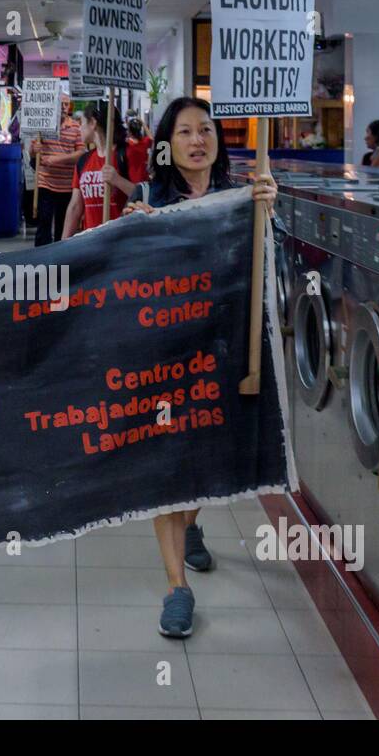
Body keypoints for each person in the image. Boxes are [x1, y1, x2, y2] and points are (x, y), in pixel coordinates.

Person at [122, 96, 277, 639]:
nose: (197, 139)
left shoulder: (241, 199)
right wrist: (133, 232)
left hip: (220, 353)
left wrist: (267, 210)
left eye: (205, 130)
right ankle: (176, 590)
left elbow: (263, 268)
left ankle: (191, 526)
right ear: (167, 144)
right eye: (184, 131)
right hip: (163, 358)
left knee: (206, 463)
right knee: (167, 467)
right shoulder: (147, 199)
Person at [62, 101, 141, 238]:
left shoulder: (128, 154)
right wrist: (63, 244)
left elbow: (145, 196)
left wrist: (118, 180)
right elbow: (75, 207)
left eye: (82, 122)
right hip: (92, 242)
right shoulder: (83, 161)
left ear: (92, 123)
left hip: (123, 241)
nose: (79, 128)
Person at [30, 98, 85, 246]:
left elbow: (81, 153)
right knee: (44, 221)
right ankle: (41, 258)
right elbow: (33, 152)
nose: (63, 107)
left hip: (66, 184)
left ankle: (59, 258)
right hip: (45, 181)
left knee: (62, 223)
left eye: (66, 104)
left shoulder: (76, 127)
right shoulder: (44, 125)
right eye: (60, 104)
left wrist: (58, 159)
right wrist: (34, 150)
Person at [126, 116, 153, 187]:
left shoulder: (127, 145)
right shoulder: (144, 143)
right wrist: (143, 123)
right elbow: (151, 137)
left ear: (130, 132)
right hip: (144, 179)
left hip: (130, 181)